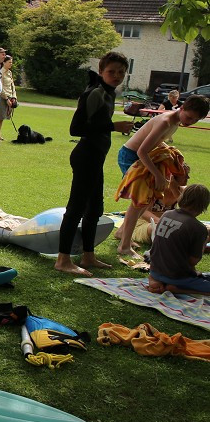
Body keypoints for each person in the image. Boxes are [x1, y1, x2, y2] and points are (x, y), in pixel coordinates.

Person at [55, 52, 134, 275]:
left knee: (95, 210)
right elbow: (76, 129)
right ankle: (63, 260)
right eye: (111, 71)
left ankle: (88, 256)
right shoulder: (95, 93)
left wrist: (112, 125)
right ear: (101, 71)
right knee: (76, 209)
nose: (116, 76)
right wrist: (113, 126)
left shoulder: (108, 93)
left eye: (121, 72)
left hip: (96, 158)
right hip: (85, 156)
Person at [114, 95, 210, 255]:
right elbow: (141, 151)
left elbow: (158, 141)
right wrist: (158, 175)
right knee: (139, 202)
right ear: (182, 107)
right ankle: (124, 246)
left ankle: (122, 233)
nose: (190, 122)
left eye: (195, 120)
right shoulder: (165, 121)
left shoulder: (175, 121)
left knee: (144, 201)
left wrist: (173, 155)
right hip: (132, 156)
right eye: (189, 117)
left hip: (144, 158)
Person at [147, 184, 210, 296]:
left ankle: (159, 281)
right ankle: (178, 289)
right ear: (203, 205)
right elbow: (193, 261)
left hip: (155, 270)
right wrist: (205, 240)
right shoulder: (198, 228)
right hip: (176, 277)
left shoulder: (167, 214)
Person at [0, 55, 16, 142]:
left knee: (3, 117)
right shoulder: (0, 72)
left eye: (11, 62)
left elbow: (12, 86)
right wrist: (6, 99)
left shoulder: (10, 73)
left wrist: (14, 97)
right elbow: (0, 87)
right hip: (3, 97)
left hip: (10, 96)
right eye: (9, 62)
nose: (11, 64)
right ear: (4, 62)